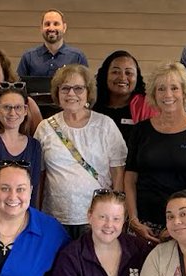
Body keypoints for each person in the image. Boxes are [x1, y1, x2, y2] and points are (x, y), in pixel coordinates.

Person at [124, 62, 186, 244]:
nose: (168, 95)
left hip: (183, 225)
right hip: (143, 225)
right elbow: (130, 178)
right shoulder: (140, 130)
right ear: (153, 95)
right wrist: (133, 219)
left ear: (184, 92)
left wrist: (178, 221)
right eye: (161, 89)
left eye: (174, 88)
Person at [34, 64, 127, 237]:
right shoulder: (45, 128)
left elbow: (118, 173)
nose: (71, 94)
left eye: (78, 88)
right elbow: (39, 176)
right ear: (57, 92)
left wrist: (116, 212)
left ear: (88, 92)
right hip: (55, 219)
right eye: (65, 88)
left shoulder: (105, 125)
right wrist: (36, 214)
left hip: (97, 219)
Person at [0, 85, 44, 202]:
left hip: (22, 214)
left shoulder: (34, 146)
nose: (12, 113)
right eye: (6, 107)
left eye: (18, 107)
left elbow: (33, 190)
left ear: (25, 110)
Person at [94, 50, 155, 144]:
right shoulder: (92, 105)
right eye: (115, 72)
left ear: (137, 77)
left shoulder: (148, 107)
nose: (122, 77)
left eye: (128, 73)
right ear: (105, 75)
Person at [16, 9, 89, 78]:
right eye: (47, 24)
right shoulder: (28, 57)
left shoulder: (77, 57)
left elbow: (87, 87)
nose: (51, 28)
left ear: (64, 27)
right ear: (41, 28)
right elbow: (18, 88)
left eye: (56, 24)